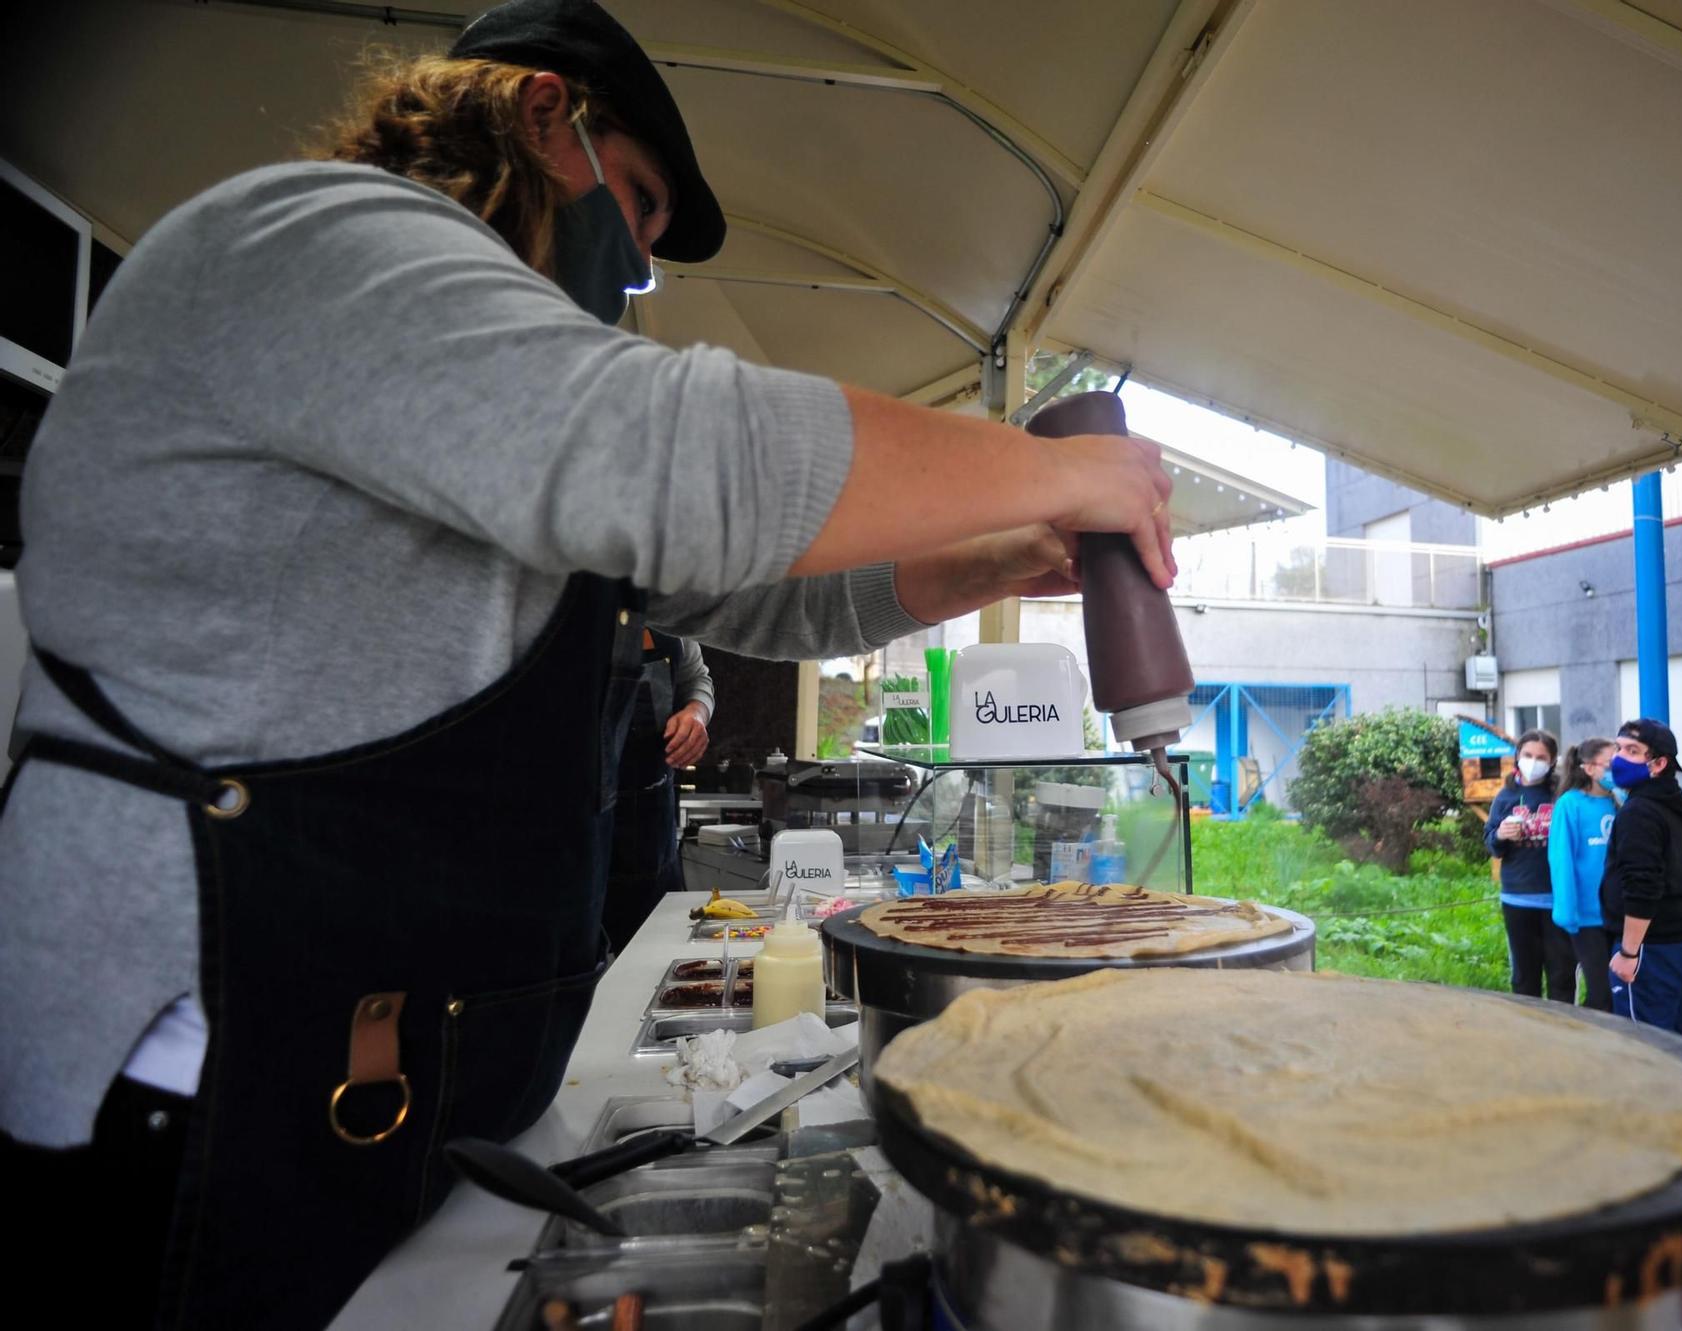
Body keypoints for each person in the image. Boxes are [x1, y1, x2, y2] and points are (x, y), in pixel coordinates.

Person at [0, 2, 1176, 1326]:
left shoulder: (477, 416)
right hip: (206, 1065)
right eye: (637, 203)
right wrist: (1058, 465)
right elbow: (682, 458)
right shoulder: (316, 239)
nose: (637, 261)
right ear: (541, 111)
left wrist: (993, 555)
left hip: (396, 1069)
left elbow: (753, 585)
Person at [1602, 718, 1682, 1040]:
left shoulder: (1639, 813)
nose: (1619, 758)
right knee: (1679, 1040)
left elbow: (1643, 887)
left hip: (1652, 950)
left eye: (1632, 751)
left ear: (1658, 764)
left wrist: (1630, 953)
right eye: (1618, 748)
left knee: (1645, 1047)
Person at [602, 630, 711, 952]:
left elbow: (697, 678)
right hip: (569, 818)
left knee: (657, 952)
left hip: (649, 816)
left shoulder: (671, 611)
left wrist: (697, 713)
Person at [1483, 728, 1575, 1003]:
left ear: (1552, 761)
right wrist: (1500, 835)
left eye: (1541, 757)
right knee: (1524, 977)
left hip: (1557, 899)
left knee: (1562, 974)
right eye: (1527, 755)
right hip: (1517, 897)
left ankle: (1562, 1032)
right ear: (1517, 757)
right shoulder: (1506, 796)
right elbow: (1491, 843)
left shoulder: (1562, 795)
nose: (1533, 761)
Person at [1548, 737, 1618, 1011]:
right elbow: (1561, 858)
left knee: (1617, 993)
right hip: (1587, 917)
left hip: (1620, 916)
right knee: (1601, 994)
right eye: (1611, 764)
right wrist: (1567, 910)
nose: (1617, 770)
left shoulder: (1621, 802)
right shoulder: (1571, 804)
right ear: (1589, 768)